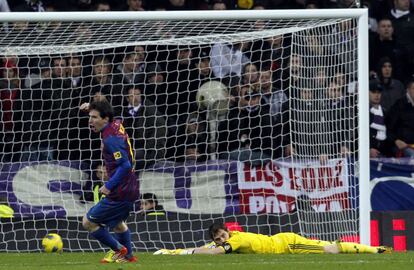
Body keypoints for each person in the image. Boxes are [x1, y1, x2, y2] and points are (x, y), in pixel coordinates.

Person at [80, 99, 139, 263]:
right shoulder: (115, 123)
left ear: (105, 119)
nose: (90, 121)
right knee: (118, 223)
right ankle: (128, 257)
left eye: (94, 117)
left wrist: (108, 185)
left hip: (120, 188)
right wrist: (91, 108)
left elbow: (125, 164)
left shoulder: (110, 139)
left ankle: (119, 250)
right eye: (90, 116)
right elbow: (107, 110)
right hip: (130, 186)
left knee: (88, 222)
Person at [154, 222, 392, 255]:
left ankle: (375, 250)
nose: (220, 240)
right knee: (328, 248)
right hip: (281, 241)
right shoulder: (233, 238)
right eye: (218, 238)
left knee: (331, 249)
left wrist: (193, 253)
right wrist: (172, 252)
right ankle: (373, 249)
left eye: (221, 235)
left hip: (287, 243)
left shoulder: (235, 240)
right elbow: (204, 247)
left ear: (227, 232)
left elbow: (211, 251)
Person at [386, 80, 414, 158]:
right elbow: (388, 128)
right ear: (408, 90)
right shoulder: (398, 106)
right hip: (402, 145)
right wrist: (396, 140)